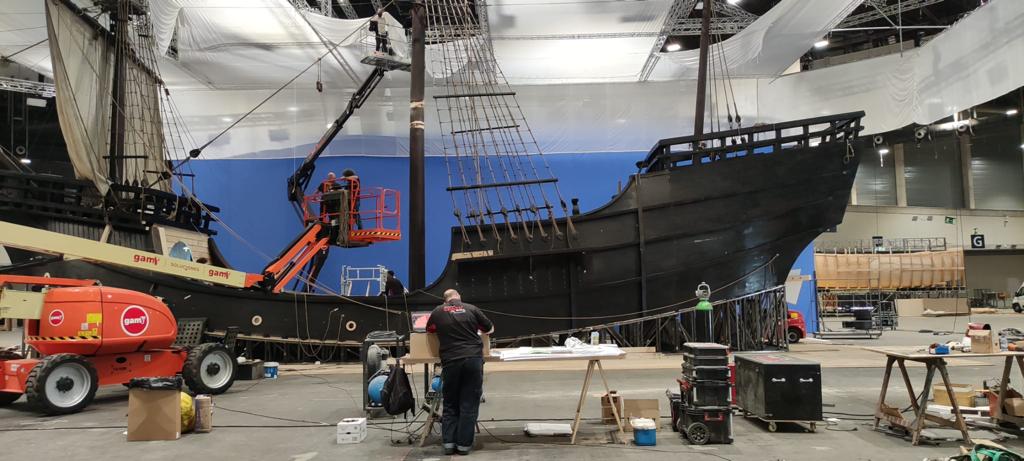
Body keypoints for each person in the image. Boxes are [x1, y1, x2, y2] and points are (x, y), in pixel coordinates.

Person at [426, 289, 494, 456]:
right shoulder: (471, 309)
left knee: (450, 403)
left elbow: (430, 330)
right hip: (473, 360)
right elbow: (490, 329)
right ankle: (463, 446)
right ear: (459, 298)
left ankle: (449, 444)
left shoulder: (437, 311)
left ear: (445, 301)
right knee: (469, 403)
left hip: (451, 361)